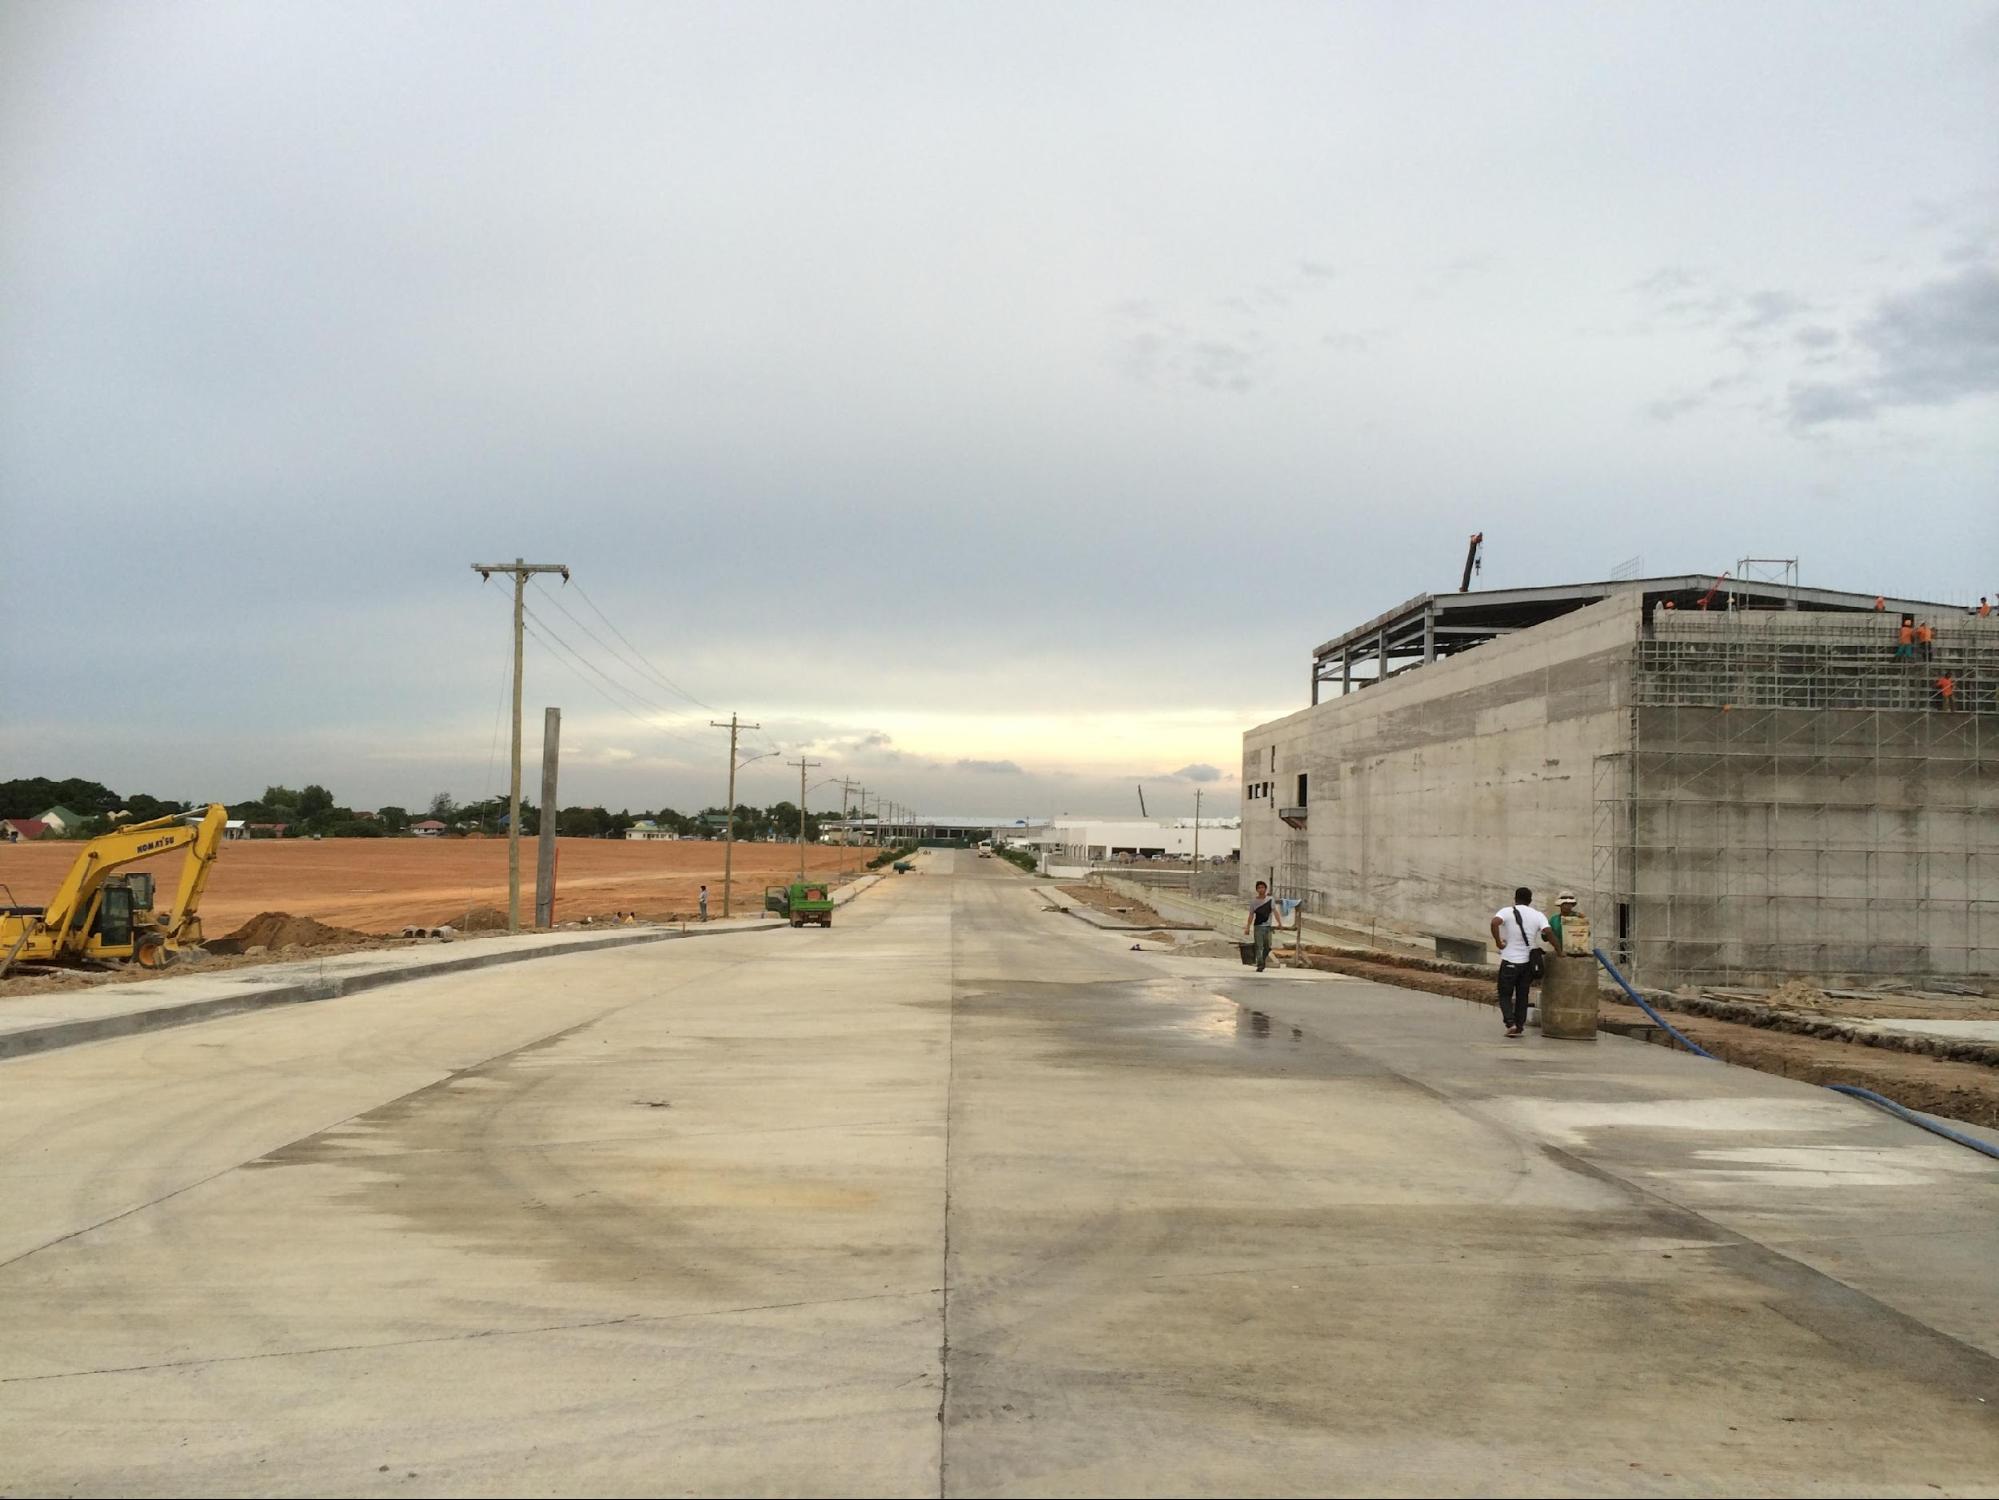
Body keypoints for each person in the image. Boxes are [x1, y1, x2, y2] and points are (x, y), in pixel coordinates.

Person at [1489, 887, 1558, 1038]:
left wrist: (1498, 942)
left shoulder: (1506, 911)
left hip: (1509, 960)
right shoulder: (1537, 915)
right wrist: (1559, 951)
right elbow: (1548, 932)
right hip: (1528, 963)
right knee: (1522, 994)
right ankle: (1519, 1026)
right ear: (1530, 900)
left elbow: (1494, 923)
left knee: (1505, 994)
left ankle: (1510, 1023)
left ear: (1515, 898)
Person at [1244, 880, 1283, 972]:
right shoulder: (1254, 901)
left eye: (1262, 887)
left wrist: (1279, 923)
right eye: (1259, 888)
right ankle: (1260, 964)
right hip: (1258, 927)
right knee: (1259, 946)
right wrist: (1248, 927)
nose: (1261, 889)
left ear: (1265, 889)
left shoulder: (1270, 899)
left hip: (1268, 927)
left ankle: (1262, 961)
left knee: (1268, 945)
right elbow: (1251, 915)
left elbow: (1275, 911)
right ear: (1257, 890)